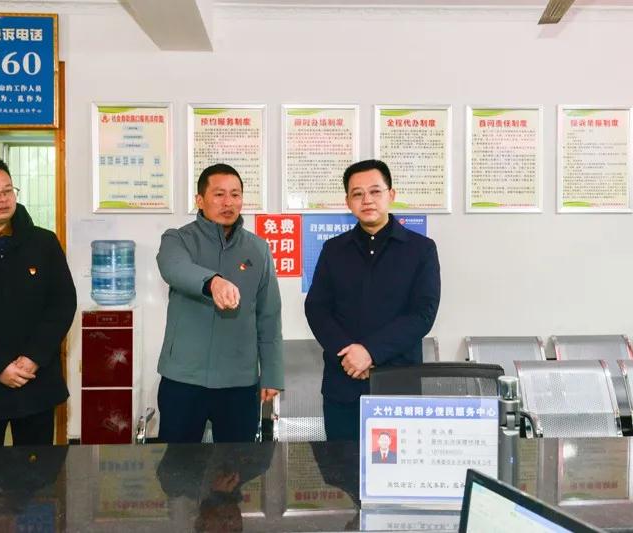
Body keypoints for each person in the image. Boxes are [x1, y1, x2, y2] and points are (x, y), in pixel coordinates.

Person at [305, 159, 441, 441]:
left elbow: (423, 314)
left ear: (391, 195)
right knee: (341, 465)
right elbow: (317, 308)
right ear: (348, 202)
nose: (367, 200)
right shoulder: (334, 250)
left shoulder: (421, 249)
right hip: (344, 383)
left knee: (399, 466)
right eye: (357, 194)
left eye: (375, 191)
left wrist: (370, 352)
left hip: (398, 385)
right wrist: (349, 354)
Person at [156, 163, 283, 443]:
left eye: (235, 194)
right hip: (183, 379)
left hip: (239, 383)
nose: (228, 202)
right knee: (178, 464)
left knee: (237, 465)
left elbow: (269, 316)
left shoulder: (258, 249)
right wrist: (213, 282)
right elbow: (173, 267)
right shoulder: (178, 239)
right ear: (200, 200)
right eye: (219, 194)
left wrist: (272, 374)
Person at [0, 157, 76, 446]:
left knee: (38, 468)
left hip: (35, 381)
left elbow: (62, 304)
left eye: (8, 190)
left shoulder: (43, 242)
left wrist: (33, 358)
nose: (3, 198)